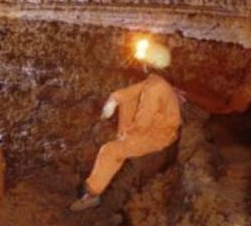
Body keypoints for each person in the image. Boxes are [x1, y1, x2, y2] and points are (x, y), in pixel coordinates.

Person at [69, 38, 182, 212]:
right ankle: (123, 140)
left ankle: (91, 195)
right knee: (126, 100)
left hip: (159, 136)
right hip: (156, 126)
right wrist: (113, 100)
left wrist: (127, 137)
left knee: (109, 151)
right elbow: (129, 93)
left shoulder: (154, 89)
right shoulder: (155, 81)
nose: (141, 63)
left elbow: (142, 124)